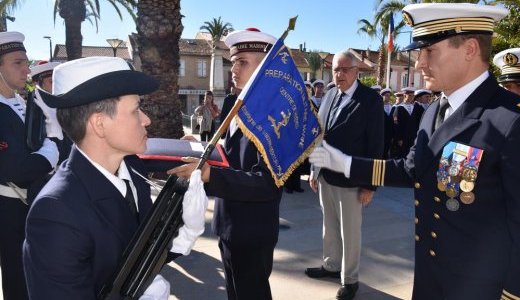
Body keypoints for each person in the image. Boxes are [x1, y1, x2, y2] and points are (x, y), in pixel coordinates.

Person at [309, 3, 520, 299]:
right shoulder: (436, 111)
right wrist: (348, 164)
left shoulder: (515, 121)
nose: (419, 64)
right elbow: (412, 168)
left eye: (429, 52)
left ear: (469, 49)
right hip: (431, 278)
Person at [23, 56, 204, 299]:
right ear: (99, 124)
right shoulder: (57, 213)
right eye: (135, 110)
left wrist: (184, 234)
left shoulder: (132, 171)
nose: (146, 120)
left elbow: (138, 259)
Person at [168, 28, 282, 300]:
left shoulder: (276, 113)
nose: (234, 69)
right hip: (228, 220)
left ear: (264, 67)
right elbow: (228, 153)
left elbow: (268, 184)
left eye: (243, 62)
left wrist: (211, 175)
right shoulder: (234, 102)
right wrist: (197, 148)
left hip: (253, 228)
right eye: (233, 61)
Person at [305, 49, 384, 300]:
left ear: (356, 71)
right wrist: (314, 169)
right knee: (329, 227)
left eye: (344, 69)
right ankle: (330, 265)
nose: (338, 74)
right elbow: (320, 136)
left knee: (350, 232)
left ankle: (350, 280)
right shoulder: (328, 96)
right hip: (326, 176)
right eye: (335, 69)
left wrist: (370, 185)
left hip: (353, 180)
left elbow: (376, 144)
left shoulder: (370, 100)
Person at [0, 31, 59, 300]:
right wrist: (53, 148)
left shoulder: (21, 101)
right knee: (18, 283)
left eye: (26, 61)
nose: (26, 68)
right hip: (11, 212)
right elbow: (19, 172)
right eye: (17, 63)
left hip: (33, 205)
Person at [30, 61, 73, 163]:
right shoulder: (34, 103)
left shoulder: (58, 99)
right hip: (49, 152)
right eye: (51, 81)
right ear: (37, 83)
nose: (55, 85)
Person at [381, 88, 394, 158]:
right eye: (386, 95)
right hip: (381, 134)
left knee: (387, 153)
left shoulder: (392, 107)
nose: (388, 97)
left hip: (389, 135)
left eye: (389, 96)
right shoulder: (379, 107)